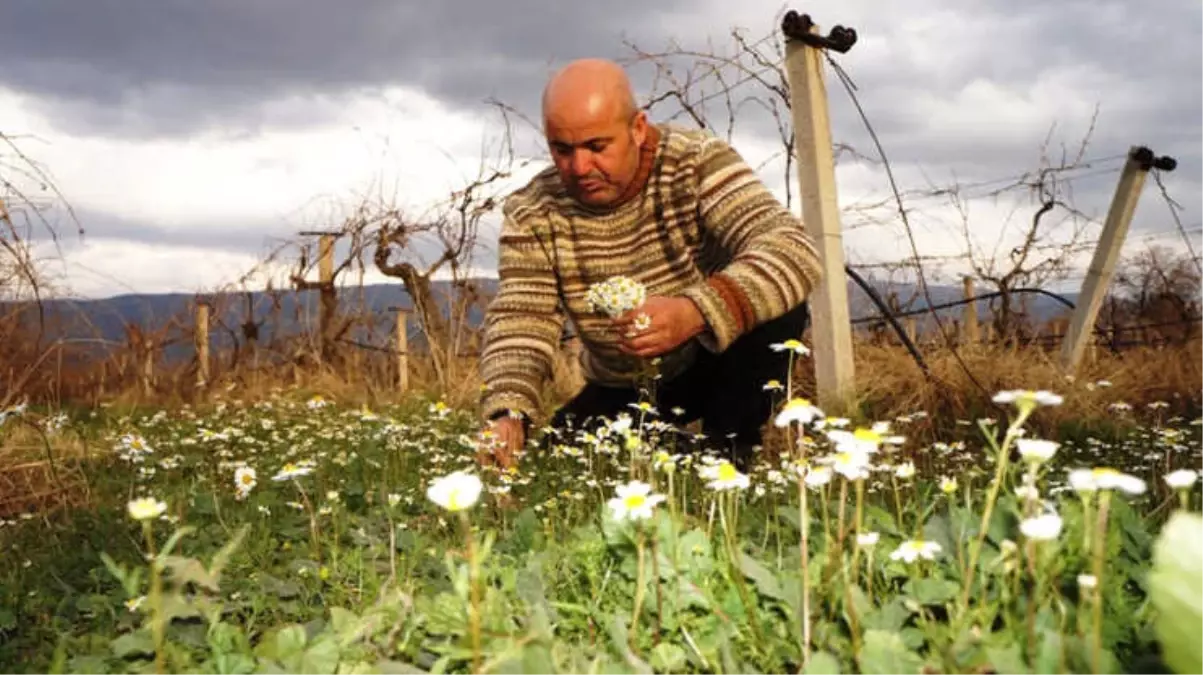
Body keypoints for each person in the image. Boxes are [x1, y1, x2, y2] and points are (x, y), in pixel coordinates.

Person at [477, 57, 823, 471]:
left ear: (638, 129)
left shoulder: (695, 162)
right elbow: (522, 316)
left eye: (596, 147)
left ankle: (728, 455)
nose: (579, 168)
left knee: (779, 302)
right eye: (562, 150)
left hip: (713, 356)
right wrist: (507, 411)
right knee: (559, 465)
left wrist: (695, 311)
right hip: (622, 381)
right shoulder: (533, 211)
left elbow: (791, 246)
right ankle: (674, 452)